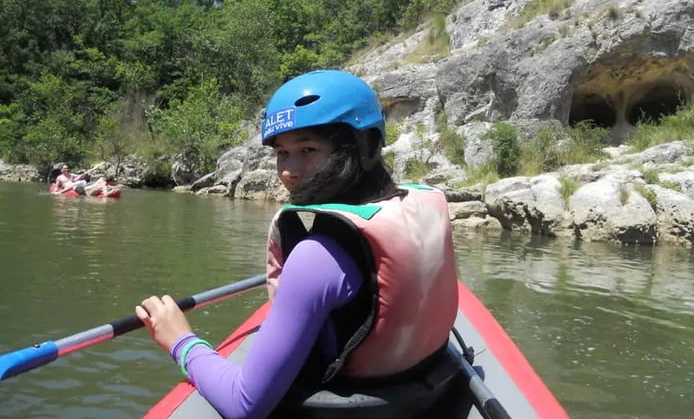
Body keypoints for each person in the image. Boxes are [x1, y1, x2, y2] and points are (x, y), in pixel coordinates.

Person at [135, 69, 459, 419]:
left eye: (307, 149)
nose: (289, 170)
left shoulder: (315, 257)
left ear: (364, 146)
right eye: (282, 153)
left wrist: (180, 341)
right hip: (421, 393)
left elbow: (244, 405)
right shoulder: (416, 205)